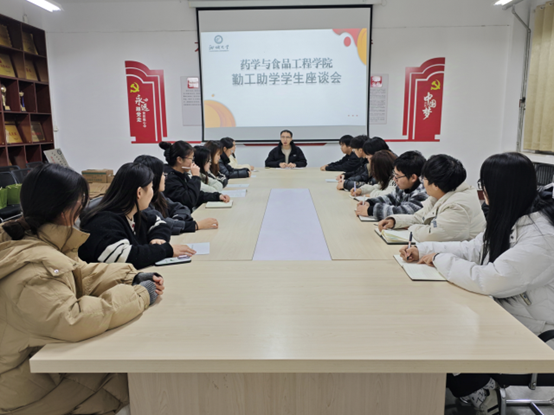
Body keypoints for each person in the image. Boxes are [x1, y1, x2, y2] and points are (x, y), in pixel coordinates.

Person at [0, 163, 164, 415]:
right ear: (69, 210)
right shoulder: (34, 269)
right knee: (143, 383)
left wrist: (129, 276)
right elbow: (74, 319)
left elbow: (79, 273)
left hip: (35, 370)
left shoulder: (31, 238)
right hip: (28, 389)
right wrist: (140, 295)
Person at [400, 152, 554, 415]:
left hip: (531, 332)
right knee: (433, 326)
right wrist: (423, 249)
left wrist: (439, 259)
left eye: (485, 185)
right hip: (501, 314)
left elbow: (489, 280)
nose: (482, 192)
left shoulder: (542, 238)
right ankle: (467, 387)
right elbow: (472, 249)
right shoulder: (512, 216)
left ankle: (483, 394)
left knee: (442, 335)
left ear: (501, 189)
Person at [79, 162, 196, 269]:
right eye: (151, 187)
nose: (152, 192)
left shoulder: (132, 214)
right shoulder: (104, 222)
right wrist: (166, 250)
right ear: (139, 192)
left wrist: (158, 238)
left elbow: (158, 222)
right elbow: (125, 257)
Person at [377, 154, 485, 242]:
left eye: (424, 178)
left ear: (435, 185)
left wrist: (410, 227)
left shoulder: (458, 206)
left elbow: (431, 235)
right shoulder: (440, 194)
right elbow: (419, 218)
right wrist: (395, 221)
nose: (422, 183)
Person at [134, 155, 218, 233]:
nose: (165, 177)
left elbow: (181, 207)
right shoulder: (142, 204)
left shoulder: (159, 195)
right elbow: (161, 223)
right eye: (162, 174)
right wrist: (195, 225)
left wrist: (177, 220)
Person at [356, 151, 427, 219]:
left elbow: (403, 212)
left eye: (397, 176)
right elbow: (390, 198)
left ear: (413, 178)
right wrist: (370, 202)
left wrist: (370, 210)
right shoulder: (405, 187)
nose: (394, 179)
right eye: (394, 174)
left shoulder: (422, 193)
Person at [160, 141, 230, 210]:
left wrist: (217, 196)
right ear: (179, 160)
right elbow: (190, 200)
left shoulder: (182, 174)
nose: (193, 162)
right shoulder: (169, 178)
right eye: (191, 158)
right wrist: (196, 177)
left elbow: (197, 195)